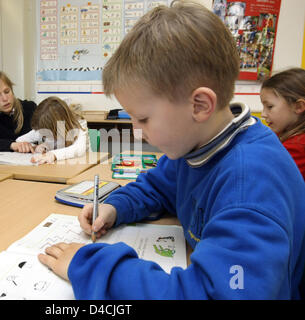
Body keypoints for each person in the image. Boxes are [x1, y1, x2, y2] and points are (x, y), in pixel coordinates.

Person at [38, 1, 305, 299]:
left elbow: (216, 295)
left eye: (144, 118)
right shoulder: (198, 145)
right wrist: (115, 208)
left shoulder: (250, 184)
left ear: (199, 105)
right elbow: (157, 187)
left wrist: (93, 267)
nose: (138, 130)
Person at [260, 68, 305, 180]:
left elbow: (268, 180)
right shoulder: (284, 132)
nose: (263, 114)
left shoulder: (297, 147)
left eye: (269, 107)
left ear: (298, 106)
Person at [15, 96, 89, 164]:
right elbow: (19, 140)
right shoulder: (42, 127)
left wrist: (53, 154)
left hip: (82, 165)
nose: (45, 135)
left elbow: (79, 149)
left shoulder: (78, 124)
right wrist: (35, 147)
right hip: (56, 167)